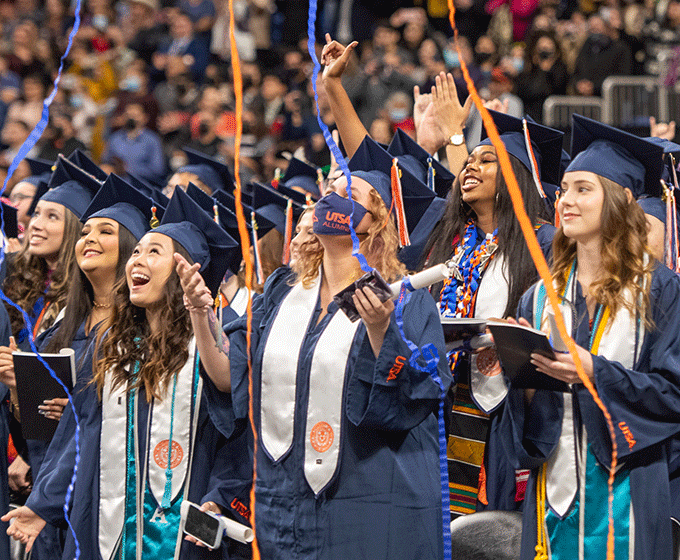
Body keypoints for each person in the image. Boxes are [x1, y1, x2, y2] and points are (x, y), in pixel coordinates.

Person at [179, 161, 451, 559]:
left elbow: (419, 396)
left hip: (367, 506)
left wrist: (380, 329)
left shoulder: (407, 302)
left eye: (348, 194)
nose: (330, 197)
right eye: (329, 189)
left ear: (376, 223)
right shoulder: (281, 293)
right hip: (281, 504)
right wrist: (199, 314)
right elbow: (228, 377)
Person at [4, 187, 248, 559]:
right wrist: (44, 506)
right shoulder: (113, 346)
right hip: (105, 520)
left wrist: (220, 499)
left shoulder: (218, 343)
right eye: (136, 251)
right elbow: (80, 434)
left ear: (188, 268)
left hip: (185, 524)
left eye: (154, 252)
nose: (137, 260)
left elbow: (238, 439)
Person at [500, 114, 680, 559]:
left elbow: (674, 396)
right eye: (564, 190)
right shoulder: (539, 297)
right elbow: (527, 425)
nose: (566, 201)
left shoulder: (658, 289)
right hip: (551, 497)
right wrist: (519, 372)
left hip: (627, 492)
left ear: (620, 199)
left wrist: (595, 372)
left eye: (584, 189)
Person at [422, 106, 564, 517]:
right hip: (446, 401)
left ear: (516, 179)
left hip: (507, 408)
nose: (471, 166)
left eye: (487, 161)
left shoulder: (546, 244)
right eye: (468, 161)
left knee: (493, 528)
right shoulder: (449, 242)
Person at [1, 174, 149, 560]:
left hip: (104, 492)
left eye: (106, 231)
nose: (90, 239)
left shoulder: (138, 328)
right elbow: (34, 424)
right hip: (53, 487)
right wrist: (18, 386)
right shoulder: (63, 326)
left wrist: (86, 413)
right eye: (85, 231)